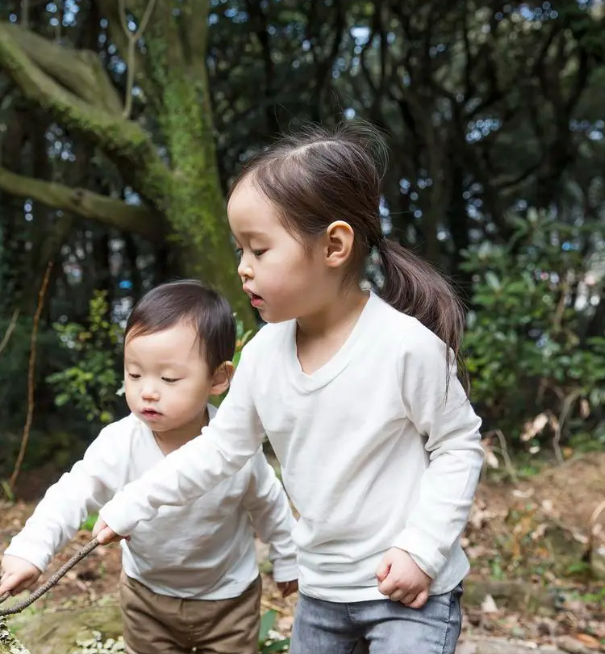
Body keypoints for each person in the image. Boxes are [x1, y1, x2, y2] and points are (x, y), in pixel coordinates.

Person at [92, 123, 485, 654]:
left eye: (258, 250)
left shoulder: (404, 347)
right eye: (240, 250)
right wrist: (135, 501)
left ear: (335, 245)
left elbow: (458, 446)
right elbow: (220, 448)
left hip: (409, 592)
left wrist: (421, 551)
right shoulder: (261, 356)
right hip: (323, 594)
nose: (242, 269)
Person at [0, 280, 299, 654]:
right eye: (134, 374)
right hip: (146, 597)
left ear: (219, 378)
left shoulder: (235, 447)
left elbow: (269, 505)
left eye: (169, 378)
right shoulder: (119, 443)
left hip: (228, 599)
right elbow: (73, 492)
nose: (147, 391)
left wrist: (288, 561)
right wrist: (32, 549)